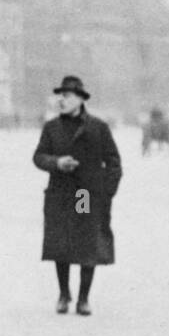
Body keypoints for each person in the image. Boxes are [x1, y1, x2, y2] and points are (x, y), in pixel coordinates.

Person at [33, 76, 122, 316]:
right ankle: (63, 294)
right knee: (60, 242)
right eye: (60, 95)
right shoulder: (51, 128)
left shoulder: (97, 127)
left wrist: (105, 193)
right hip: (60, 193)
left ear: (81, 99)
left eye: (67, 95)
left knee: (86, 240)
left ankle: (83, 298)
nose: (61, 99)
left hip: (84, 194)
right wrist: (57, 162)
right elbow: (38, 157)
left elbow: (114, 163)